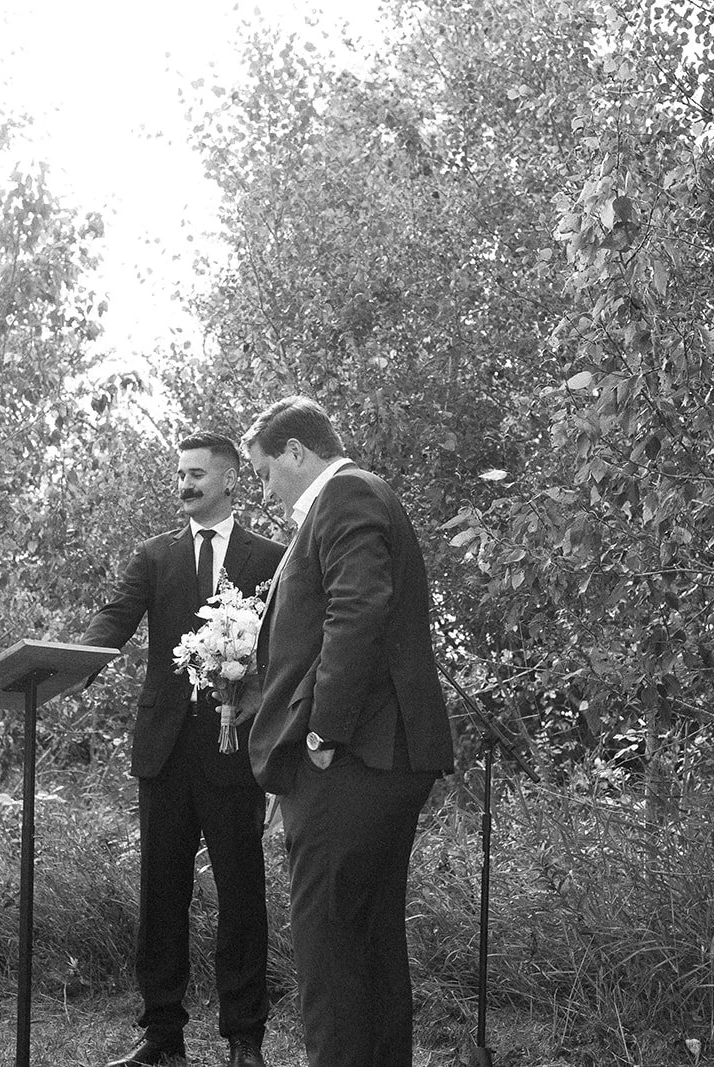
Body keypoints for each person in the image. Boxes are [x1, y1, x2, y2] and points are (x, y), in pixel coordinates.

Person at [242, 396, 455, 1067]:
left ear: (297, 452)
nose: (266, 490)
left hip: (354, 756)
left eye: (266, 471)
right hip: (377, 755)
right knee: (368, 939)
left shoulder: (346, 496)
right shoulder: (359, 497)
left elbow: (358, 609)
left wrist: (321, 735)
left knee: (329, 945)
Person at [80, 431, 286, 1067]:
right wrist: (62, 669)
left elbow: (286, 644)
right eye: (180, 474)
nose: (185, 485)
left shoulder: (273, 557)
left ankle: (243, 1039)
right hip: (165, 750)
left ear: (229, 480)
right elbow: (114, 622)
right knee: (160, 891)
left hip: (236, 748)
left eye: (197, 474)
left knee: (241, 892)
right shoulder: (155, 555)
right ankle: (161, 1036)